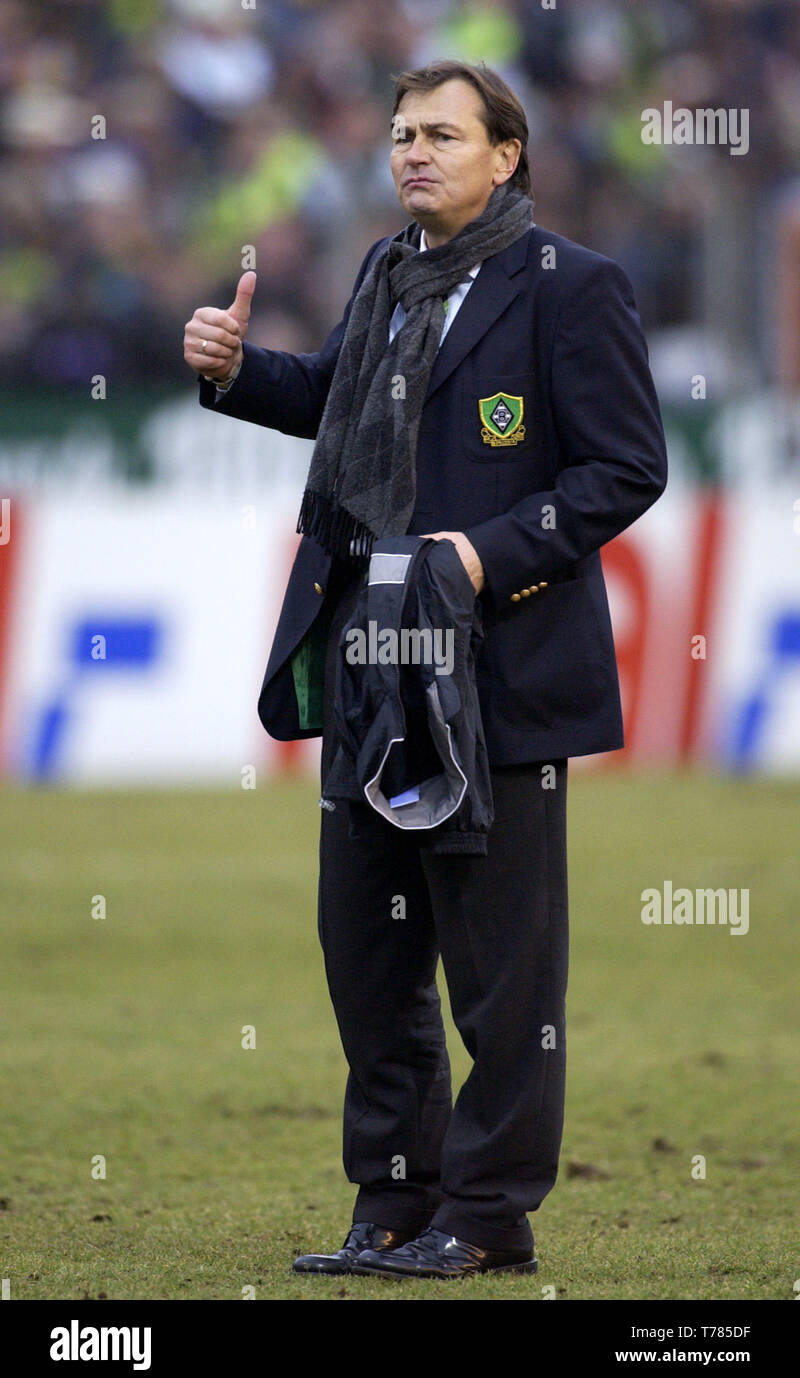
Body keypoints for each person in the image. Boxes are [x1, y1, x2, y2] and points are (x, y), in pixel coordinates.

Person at [183, 60, 668, 1280]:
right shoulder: (386, 276)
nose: (412, 153)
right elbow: (334, 402)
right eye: (402, 134)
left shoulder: (573, 289)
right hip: (368, 658)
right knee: (368, 949)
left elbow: (623, 469)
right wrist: (238, 370)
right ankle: (392, 1199)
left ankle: (489, 1210)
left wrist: (481, 555)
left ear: (505, 154)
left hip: (492, 670)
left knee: (500, 972)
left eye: (442, 135)